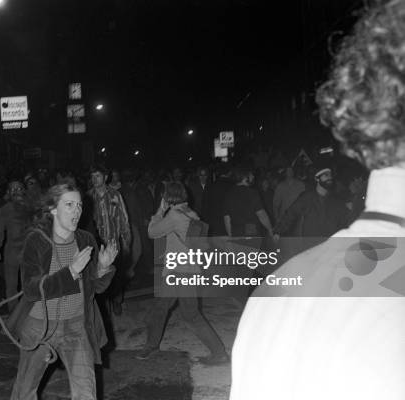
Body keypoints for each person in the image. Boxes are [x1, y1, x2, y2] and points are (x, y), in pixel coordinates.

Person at [230, 2, 405, 399]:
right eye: (322, 176)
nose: (326, 179)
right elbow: (285, 216)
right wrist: (276, 236)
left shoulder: (271, 300)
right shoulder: (307, 200)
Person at [9, 183, 117, 400]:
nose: (76, 211)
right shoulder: (37, 240)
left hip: (76, 327)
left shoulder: (86, 239)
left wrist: (103, 268)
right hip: (40, 328)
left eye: (79, 205)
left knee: (87, 393)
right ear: (53, 209)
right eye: (69, 205)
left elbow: (95, 288)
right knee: (25, 392)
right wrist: (71, 271)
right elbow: (31, 289)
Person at [136, 181, 229, 363]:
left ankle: (219, 353)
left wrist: (159, 211)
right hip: (190, 270)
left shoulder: (174, 216)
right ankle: (152, 345)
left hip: (178, 272)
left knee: (188, 314)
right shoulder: (191, 213)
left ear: (167, 197)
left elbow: (152, 232)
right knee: (161, 308)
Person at [88, 165, 131, 315]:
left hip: (113, 243)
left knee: (116, 275)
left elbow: (124, 219)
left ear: (105, 177)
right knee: (98, 274)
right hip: (95, 244)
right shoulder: (88, 197)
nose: (95, 179)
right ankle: (101, 305)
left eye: (98, 176)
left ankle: (116, 301)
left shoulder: (115, 195)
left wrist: (127, 242)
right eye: (93, 176)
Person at [0, 180, 33, 310]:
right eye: (13, 189)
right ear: (9, 193)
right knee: (11, 285)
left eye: (19, 188)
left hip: (29, 250)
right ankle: (15, 313)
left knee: (28, 283)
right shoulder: (5, 209)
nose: (16, 191)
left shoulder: (30, 207)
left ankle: (27, 313)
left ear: (23, 191)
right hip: (12, 251)